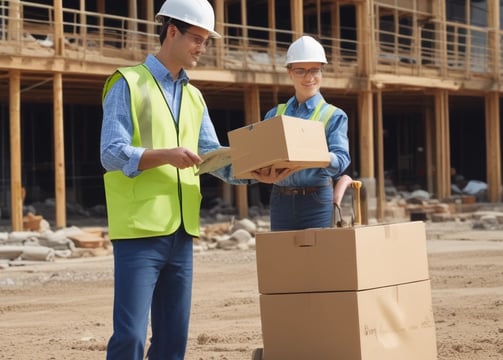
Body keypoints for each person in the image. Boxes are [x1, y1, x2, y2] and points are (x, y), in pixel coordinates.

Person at [100, 1, 249, 359]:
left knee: (172, 341)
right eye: (197, 38)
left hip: (182, 232)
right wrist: (166, 155)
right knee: (131, 337)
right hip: (139, 232)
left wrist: (259, 169)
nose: (202, 47)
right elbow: (111, 152)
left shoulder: (195, 96)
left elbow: (214, 158)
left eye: (206, 41)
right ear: (171, 31)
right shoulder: (128, 83)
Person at [251, 35, 351, 231]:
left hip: (316, 200)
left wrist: (316, 154)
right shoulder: (274, 114)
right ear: (289, 72)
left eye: (315, 70)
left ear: (322, 71)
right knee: (282, 259)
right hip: (280, 198)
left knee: (315, 260)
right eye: (301, 71)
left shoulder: (334, 115)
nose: (309, 77)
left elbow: (341, 160)